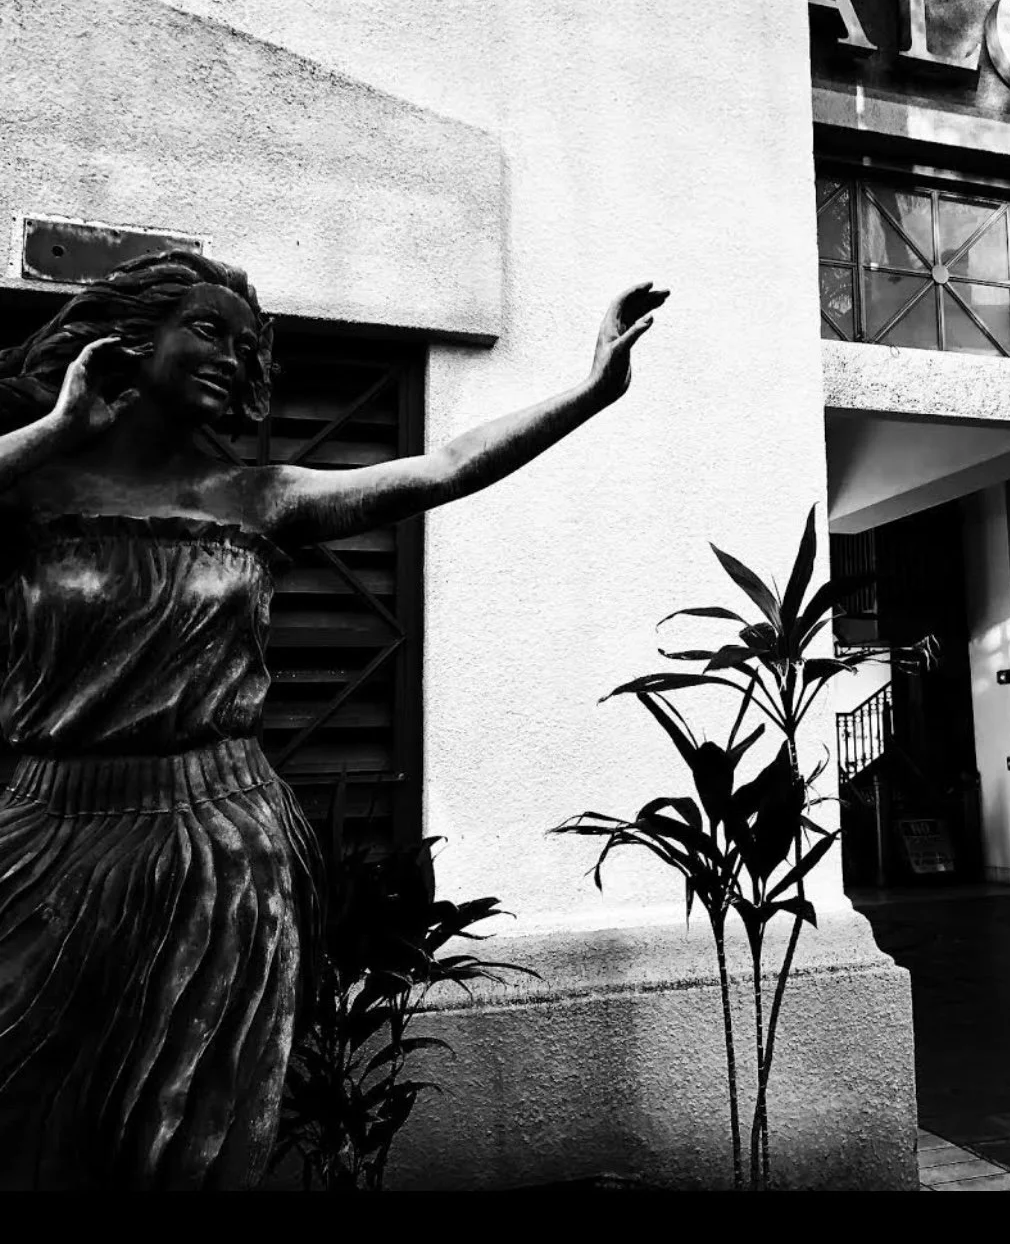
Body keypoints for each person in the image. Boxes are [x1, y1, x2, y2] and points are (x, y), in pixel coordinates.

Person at [0, 249, 667, 1189]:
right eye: (207, 329)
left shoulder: (257, 498)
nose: (236, 355)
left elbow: (442, 467)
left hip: (216, 847)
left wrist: (591, 389)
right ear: (128, 343)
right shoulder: (29, 493)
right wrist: (59, 427)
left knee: (186, 1138)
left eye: (249, 343)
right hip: (48, 835)